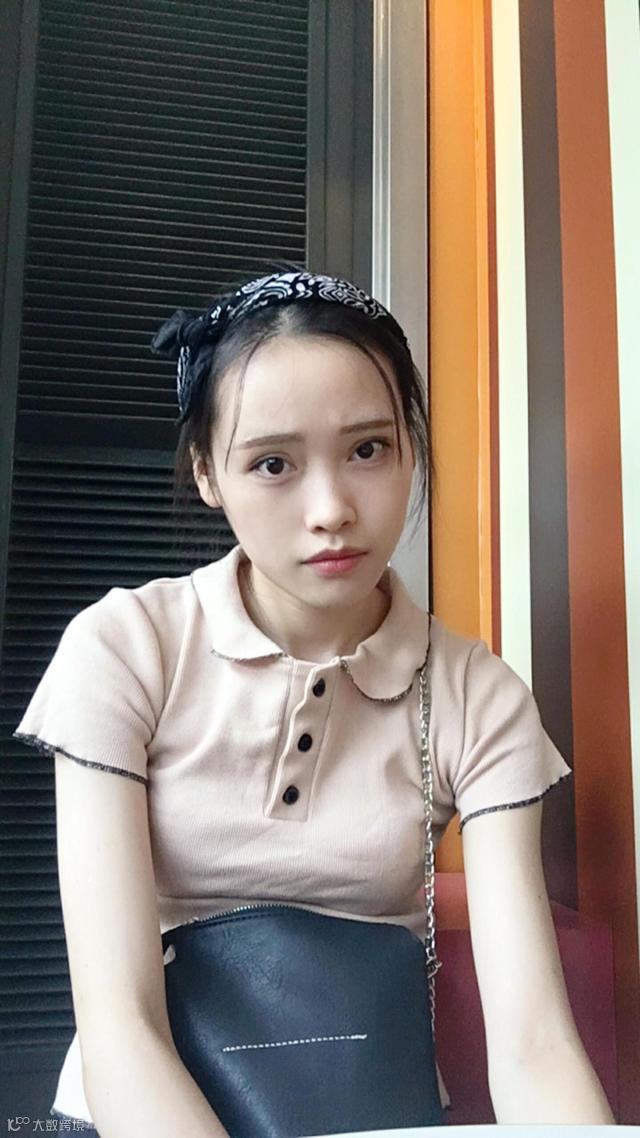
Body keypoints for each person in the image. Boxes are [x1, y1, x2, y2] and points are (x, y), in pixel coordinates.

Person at [13, 270, 614, 1136]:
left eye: (368, 450)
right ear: (208, 473)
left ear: (410, 448)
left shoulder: (477, 696)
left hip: (373, 1112)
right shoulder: (126, 648)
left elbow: (534, 1044)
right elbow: (121, 1027)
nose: (331, 510)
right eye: (273, 464)